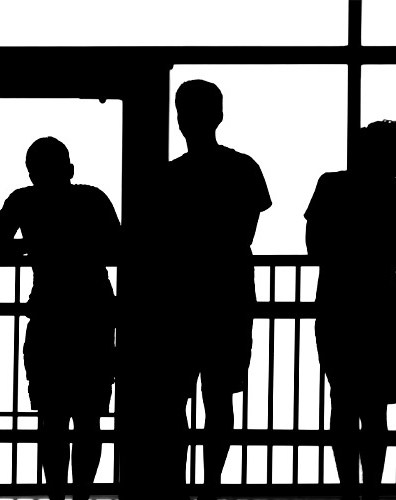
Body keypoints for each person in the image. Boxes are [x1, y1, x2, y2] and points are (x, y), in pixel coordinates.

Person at [130, 79, 270, 499]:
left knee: (174, 398)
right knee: (218, 395)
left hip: (177, 297)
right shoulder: (243, 167)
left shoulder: (169, 175)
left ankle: (175, 483)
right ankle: (210, 484)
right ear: (220, 115)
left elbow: (154, 238)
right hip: (227, 292)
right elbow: (245, 231)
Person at [305, 120, 396, 500]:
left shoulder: (331, 187)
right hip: (380, 305)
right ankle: (372, 491)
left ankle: (348, 491)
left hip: (336, 302)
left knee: (342, 399)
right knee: (375, 407)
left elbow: (315, 247)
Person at [0, 137, 119, 500]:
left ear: (31, 173)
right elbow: (119, 247)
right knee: (89, 417)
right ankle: (80, 496)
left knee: (51, 417)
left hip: (47, 312)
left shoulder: (23, 201)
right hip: (93, 314)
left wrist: (34, 247)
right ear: (70, 169)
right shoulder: (92, 198)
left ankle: (58, 497)